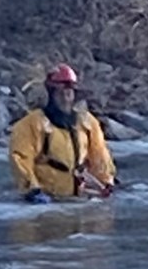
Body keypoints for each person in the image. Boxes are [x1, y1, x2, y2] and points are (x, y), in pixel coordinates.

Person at [8, 63, 117, 203]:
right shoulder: (32, 124)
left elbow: (100, 156)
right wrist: (32, 190)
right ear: (51, 93)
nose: (65, 98)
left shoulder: (88, 123)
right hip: (46, 197)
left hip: (77, 198)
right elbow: (20, 158)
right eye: (60, 93)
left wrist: (106, 182)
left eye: (69, 92)